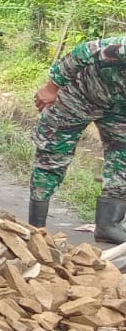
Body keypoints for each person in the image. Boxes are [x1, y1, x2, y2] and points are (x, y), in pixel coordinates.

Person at [29, 36, 126, 242]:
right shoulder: (122, 47)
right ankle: (36, 227)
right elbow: (85, 50)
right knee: (52, 154)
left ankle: (107, 226)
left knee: (123, 160)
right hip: (78, 96)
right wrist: (51, 88)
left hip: (119, 109)